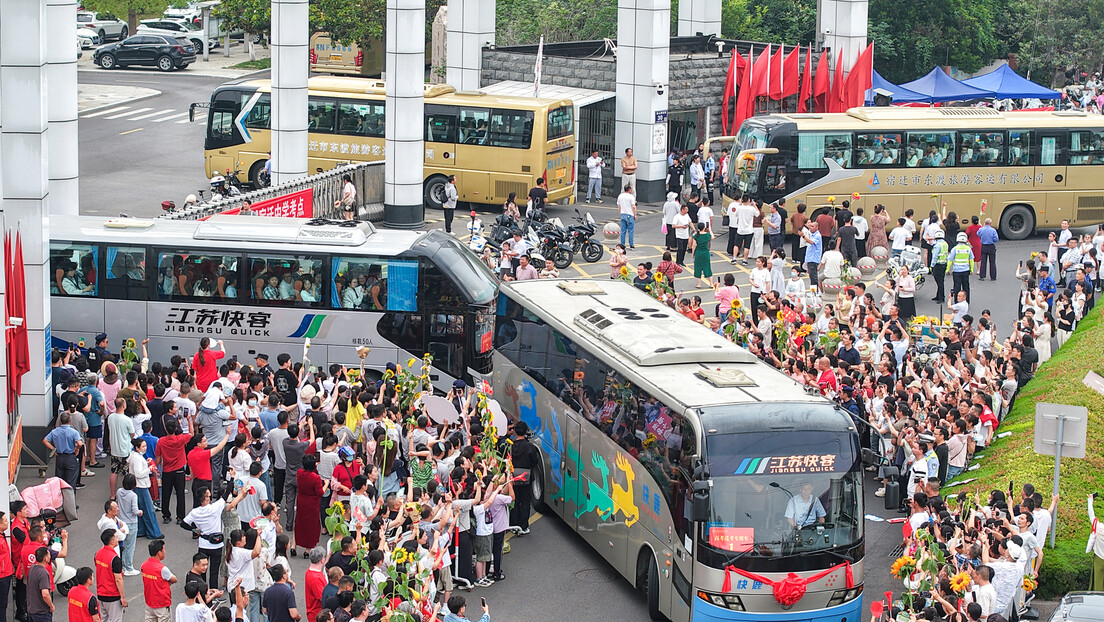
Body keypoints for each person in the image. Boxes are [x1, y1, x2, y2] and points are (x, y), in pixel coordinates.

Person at [295, 455, 327, 556]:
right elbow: (320, 493)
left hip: (301, 500)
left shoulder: (299, 473)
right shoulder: (316, 478)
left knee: (299, 523)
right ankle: (308, 549)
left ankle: (293, 545)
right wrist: (326, 484)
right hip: (312, 503)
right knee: (311, 526)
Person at [43, 411, 82, 489]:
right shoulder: (74, 432)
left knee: (60, 481)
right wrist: (76, 448)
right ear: (70, 421)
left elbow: (45, 440)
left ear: (60, 421)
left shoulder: (55, 431)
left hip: (59, 457)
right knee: (71, 482)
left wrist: (54, 449)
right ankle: (70, 499)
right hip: (70, 456)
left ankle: (61, 499)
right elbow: (80, 443)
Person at [95, 530, 127, 622]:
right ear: (112, 541)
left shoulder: (98, 554)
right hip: (112, 595)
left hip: (101, 594)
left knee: (104, 619)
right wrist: (123, 597)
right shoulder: (115, 559)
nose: (118, 539)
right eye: (116, 537)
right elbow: (118, 579)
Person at [141, 540, 177, 622]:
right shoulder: (162, 569)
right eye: (164, 550)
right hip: (162, 604)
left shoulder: (144, 565)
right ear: (159, 553)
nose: (165, 552)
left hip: (149, 603)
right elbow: (174, 579)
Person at [26, 547, 54, 622]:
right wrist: (51, 606)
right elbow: (45, 594)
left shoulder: (32, 568)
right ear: (45, 558)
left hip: (31, 610)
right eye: (49, 555)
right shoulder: (43, 573)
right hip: (41, 613)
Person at [950, 232, 975, 302]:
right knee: (966, 287)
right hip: (966, 270)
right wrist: (972, 269)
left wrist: (947, 269)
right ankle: (966, 301)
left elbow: (950, 260)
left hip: (957, 271)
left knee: (956, 287)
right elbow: (971, 259)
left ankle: (956, 301)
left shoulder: (955, 249)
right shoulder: (968, 249)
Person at [801, 219, 823, 288]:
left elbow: (811, 242)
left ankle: (814, 292)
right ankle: (813, 290)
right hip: (810, 258)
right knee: (811, 275)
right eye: (810, 226)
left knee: (813, 277)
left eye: (812, 226)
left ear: (817, 227)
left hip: (813, 259)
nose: (810, 227)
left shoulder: (817, 236)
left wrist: (803, 236)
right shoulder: (813, 234)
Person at [692, 223, 714, 289]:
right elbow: (712, 237)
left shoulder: (696, 236)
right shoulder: (707, 235)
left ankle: (699, 284)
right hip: (705, 253)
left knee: (698, 268)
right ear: (704, 228)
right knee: (707, 268)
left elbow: (694, 245)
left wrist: (693, 253)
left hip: (698, 253)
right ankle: (711, 283)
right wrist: (710, 229)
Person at [930, 229, 949, 302]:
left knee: (939, 282)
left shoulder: (937, 245)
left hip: (938, 265)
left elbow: (934, 256)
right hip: (943, 264)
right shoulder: (945, 243)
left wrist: (932, 265)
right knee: (941, 281)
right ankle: (938, 296)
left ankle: (941, 297)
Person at [617, 184, 637, 249]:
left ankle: (622, 244)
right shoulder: (631, 197)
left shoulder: (620, 196)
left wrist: (620, 213)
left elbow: (619, 206)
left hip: (623, 214)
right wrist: (635, 214)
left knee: (623, 231)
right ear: (629, 189)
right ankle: (631, 244)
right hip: (630, 215)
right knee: (630, 231)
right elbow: (633, 207)